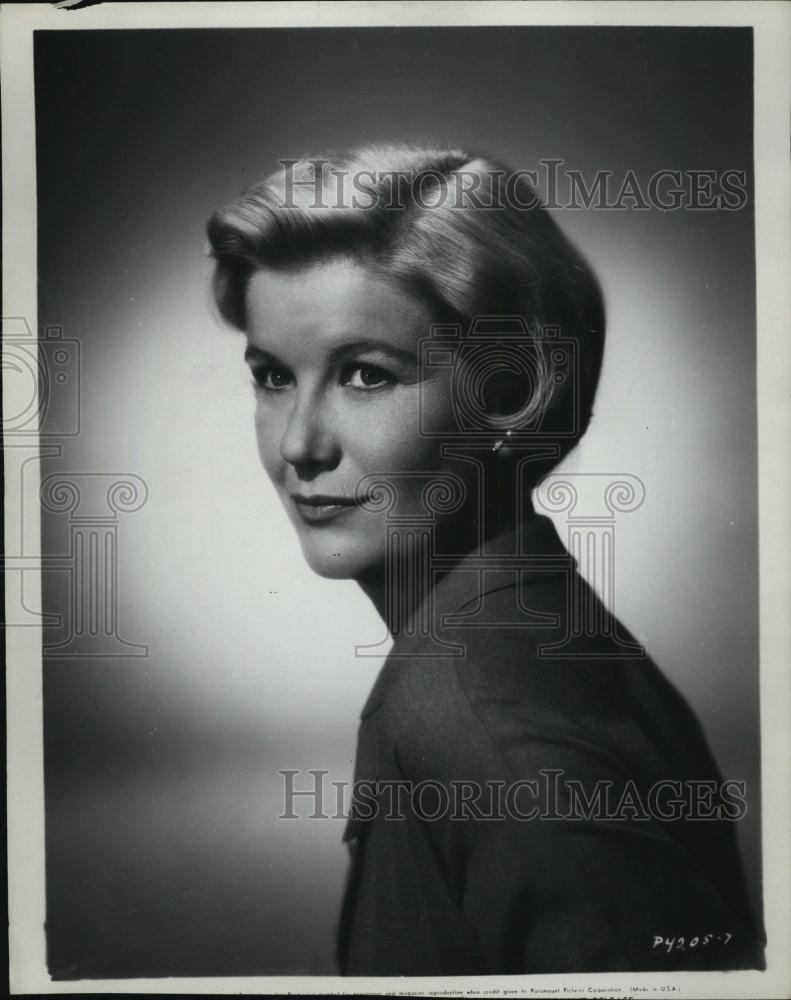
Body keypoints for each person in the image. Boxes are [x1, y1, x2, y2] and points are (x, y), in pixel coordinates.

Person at [207, 143, 765, 975]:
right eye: (273, 376)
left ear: (509, 390)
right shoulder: (543, 637)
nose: (300, 445)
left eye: (365, 375)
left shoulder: (479, 731)